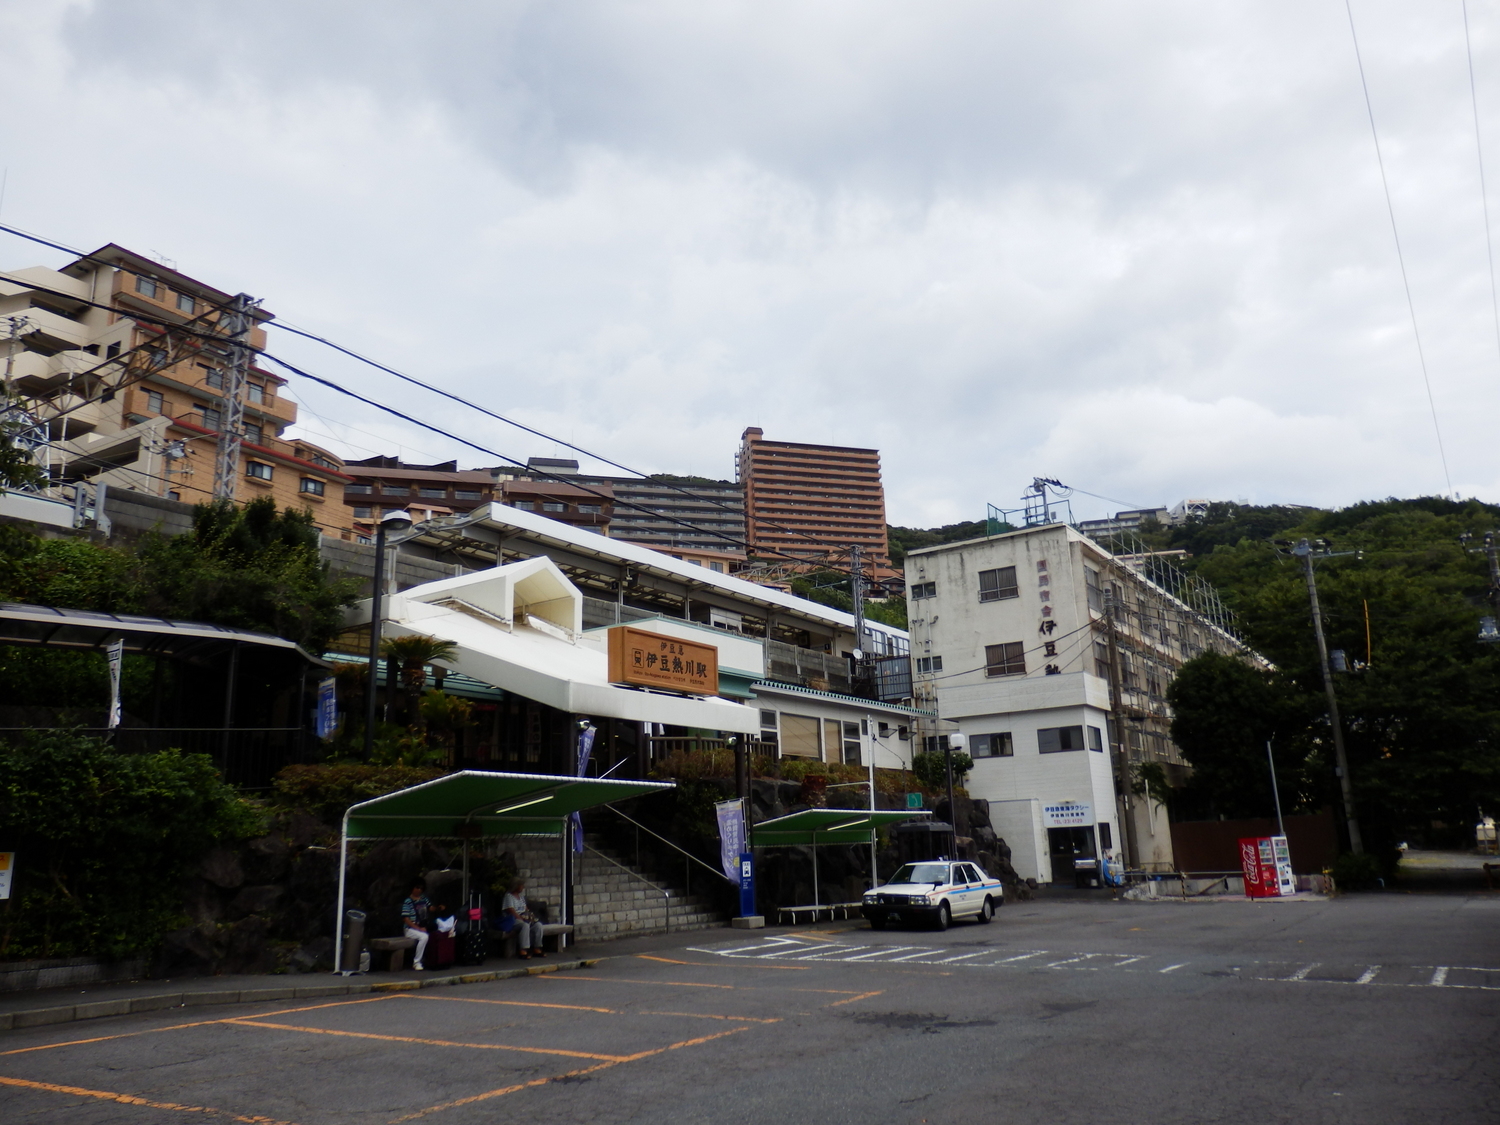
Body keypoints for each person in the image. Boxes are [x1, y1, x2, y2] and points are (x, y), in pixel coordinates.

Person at [501, 878, 545, 959]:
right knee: (524, 925)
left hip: (523, 917)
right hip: (513, 919)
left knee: (538, 925)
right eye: (521, 885)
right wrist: (521, 918)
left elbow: (525, 909)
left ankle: (537, 947)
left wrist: (529, 916)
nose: (523, 887)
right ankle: (523, 950)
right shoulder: (508, 896)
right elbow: (511, 910)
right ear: (516, 886)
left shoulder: (521, 897)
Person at [401, 879, 431, 971]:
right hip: (410, 929)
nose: (419, 890)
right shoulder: (407, 901)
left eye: (421, 888)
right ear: (412, 888)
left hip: (422, 926)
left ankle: (429, 960)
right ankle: (417, 962)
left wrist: (438, 908)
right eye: (417, 887)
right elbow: (406, 919)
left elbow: (431, 908)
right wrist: (418, 928)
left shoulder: (424, 899)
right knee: (424, 937)